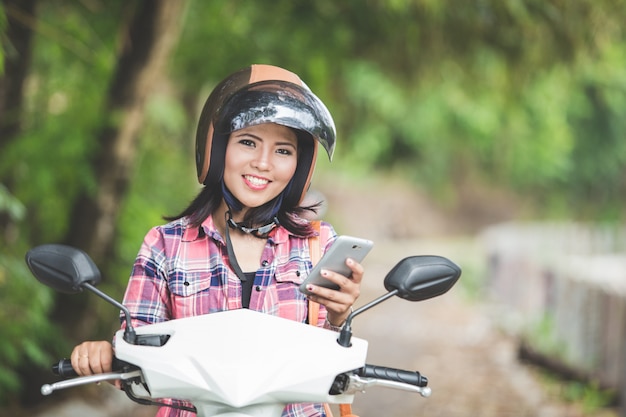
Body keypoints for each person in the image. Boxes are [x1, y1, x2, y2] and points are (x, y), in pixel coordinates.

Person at [70, 64, 364, 417]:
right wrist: (104, 354)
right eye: (248, 142)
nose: (263, 163)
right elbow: (139, 358)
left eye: (283, 151)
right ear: (217, 148)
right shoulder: (165, 245)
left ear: (300, 166)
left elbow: (333, 370)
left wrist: (339, 314)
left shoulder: (318, 245)